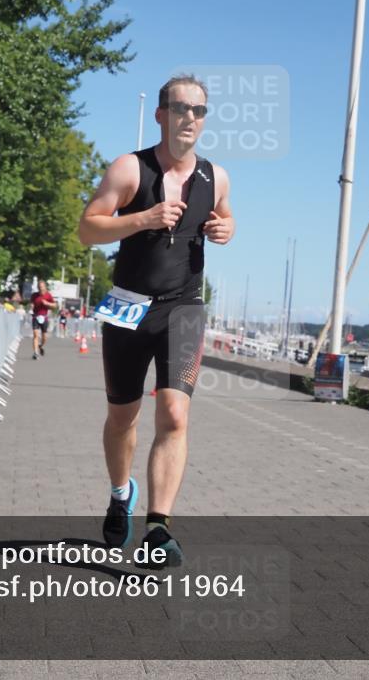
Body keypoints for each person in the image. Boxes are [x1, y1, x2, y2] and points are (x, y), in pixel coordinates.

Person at [78, 74, 235, 566]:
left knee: (174, 414)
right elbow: (87, 228)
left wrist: (226, 227)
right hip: (128, 305)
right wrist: (142, 219)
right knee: (122, 417)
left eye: (199, 110)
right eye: (181, 108)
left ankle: (159, 528)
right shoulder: (130, 168)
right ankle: (120, 491)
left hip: (184, 308)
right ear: (161, 114)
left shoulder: (216, 178)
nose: (190, 118)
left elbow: (226, 216)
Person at [29, 278, 57, 359]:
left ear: (45, 287)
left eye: (42, 286)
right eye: (39, 287)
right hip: (35, 316)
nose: (41, 288)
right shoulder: (34, 295)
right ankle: (35, 353)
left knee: (44, 337)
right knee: (35, 335)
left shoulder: (48, 295)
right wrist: (31, 306)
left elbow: (55, 305)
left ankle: (40, 346)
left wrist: (47, 303)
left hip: (44, 318)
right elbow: (31, 303)